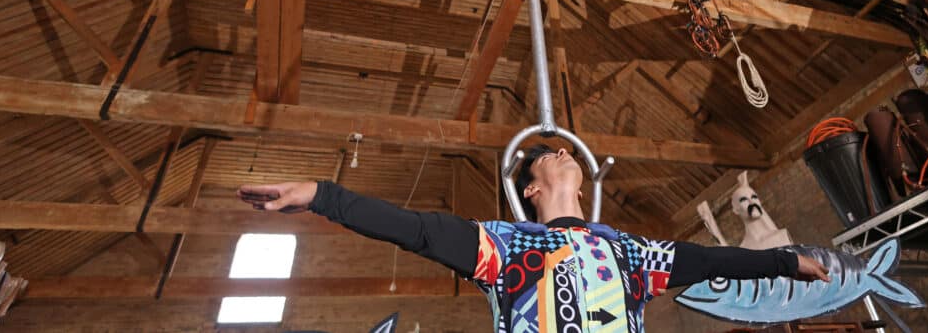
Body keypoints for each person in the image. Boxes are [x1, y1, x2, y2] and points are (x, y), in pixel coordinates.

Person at [239, 144, 829, 333]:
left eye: (563, 149)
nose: (560, 151)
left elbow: (708, 258)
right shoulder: (506, 247)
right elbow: (414, 230)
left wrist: (783, 261)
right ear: (533, 192)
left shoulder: (630, 253)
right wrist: (323, 194)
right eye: (546, 155)